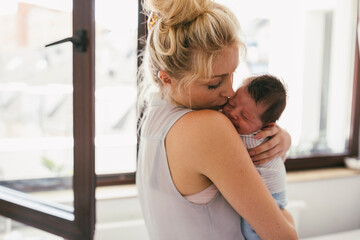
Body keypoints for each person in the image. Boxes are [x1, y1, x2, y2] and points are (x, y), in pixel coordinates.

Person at [136, 0, 298, 239]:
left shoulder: (153, 119)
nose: (230, 92)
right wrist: (287, 217)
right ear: (167, 78)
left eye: (232, 74)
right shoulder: (209, 126)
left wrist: (279, 137)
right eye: (214, 83)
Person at [222, 74, 288, 240]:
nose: (233, 114)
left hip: (269, 194)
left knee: (253, 232)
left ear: (267, 126)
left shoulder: (250, 138)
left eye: (245, 116)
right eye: (231, 103)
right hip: (271, 191)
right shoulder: (249, 127)